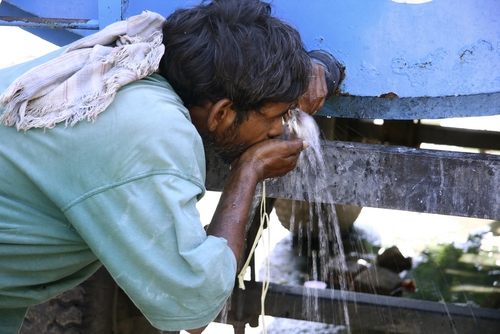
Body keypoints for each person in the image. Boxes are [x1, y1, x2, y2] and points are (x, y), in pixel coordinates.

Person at [0, 0, 328, 332]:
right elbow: (193, 306)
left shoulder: (129, 58)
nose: (277, 130)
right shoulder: (152, 134)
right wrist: (247, 173)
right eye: (273, 118)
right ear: (222, 113)